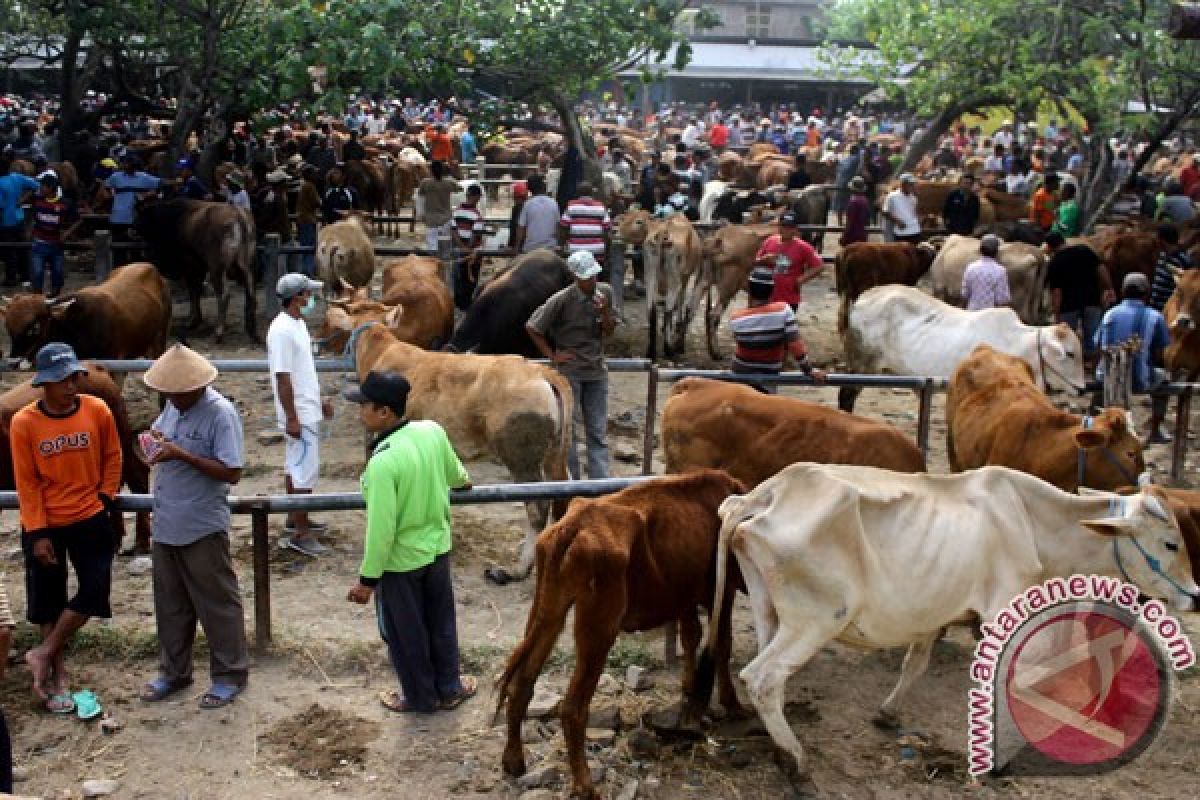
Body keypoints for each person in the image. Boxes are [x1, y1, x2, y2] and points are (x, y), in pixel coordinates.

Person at [343, 371, 477, 713]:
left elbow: (381, 529)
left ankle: (419, 697)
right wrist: (461, 484)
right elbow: (459, 477)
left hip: (401, 563)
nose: (360, 414)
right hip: (437, 549)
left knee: (406, 635)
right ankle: (449, 687)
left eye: (364, 407)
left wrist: (367, 580)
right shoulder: (432, 432)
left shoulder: (383, 462)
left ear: (384, 412)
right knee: (441, 623)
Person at [11, 343, 122, 712]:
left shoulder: (97, 410)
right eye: (61, 380)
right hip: (47, 522)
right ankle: (57, 675)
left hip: (90, 516)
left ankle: (42, 653)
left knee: (95, 590)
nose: (70, 385)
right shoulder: (25, 423)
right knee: (48, 599)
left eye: (73, 377)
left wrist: (105, 497)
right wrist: (38, 532)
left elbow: (113, 455)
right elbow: (26, 482)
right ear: (43, 384)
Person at [138, 345, 249, 709]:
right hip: (168, 518)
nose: (169, 398)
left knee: (216, 602)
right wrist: (153, 446)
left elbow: (232, 472)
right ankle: (174, 671)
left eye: (175, 393)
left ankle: (230, 673)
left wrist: (181, 454)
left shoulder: (220, 414)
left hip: (201, 523)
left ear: (194, 389)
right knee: (170, 603)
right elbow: (159, 436)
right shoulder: (172, 406)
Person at [526, 251, 616, 480]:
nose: (591, 282)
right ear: (576, 277)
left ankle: (600, 480)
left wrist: (604, 311)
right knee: (570, 431)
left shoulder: (604, 293)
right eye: (586, 278)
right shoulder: (562, 299)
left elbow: (610, 330)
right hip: (571, 372)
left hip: (596, 370)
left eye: (593, 276)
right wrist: (553, 356)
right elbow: (534, 327)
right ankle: (572, 479)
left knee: (597, 430)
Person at [267, 273, 333, 557]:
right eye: (308, 294)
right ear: (297, 298)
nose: (311, 299)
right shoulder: (282, 331)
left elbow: (301, 372)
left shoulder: (296, 325)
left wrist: (318, 399)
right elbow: (283, 377)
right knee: (304, 469)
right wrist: (292, 416)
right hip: (300, 412)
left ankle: (295, 518)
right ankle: (301, 532)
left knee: (295, 465)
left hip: (305, 407)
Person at [1096, 273, 1172, 443]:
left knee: (1102, 375)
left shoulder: (1109, 314)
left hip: (1107, 378)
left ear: (1122, 291)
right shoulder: (1155, 316)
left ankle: (1095, 419)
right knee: (1165, 379)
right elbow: (1160, 352)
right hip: (1139, 381)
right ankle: (1155, 429)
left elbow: (1098, 345)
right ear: (1147, 293)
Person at [729, 266, 825, 392]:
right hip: (768, 376)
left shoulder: (736, 318)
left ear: (749, 290)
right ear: (772, 290)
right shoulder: (783, 310)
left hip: (740, 376)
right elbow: (795, 345)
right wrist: (809, 370)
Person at [1045, 231, 1110, 364]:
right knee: (1092, 337)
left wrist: (1056, 313)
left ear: (1050, 247)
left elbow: (1057, 292)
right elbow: (1101, 270)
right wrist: (1109, 288)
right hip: (1092, 300)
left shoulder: (1055, 262)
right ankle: (1092, 365)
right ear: (1063, 241)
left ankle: (1072, 365)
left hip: (1068, 306)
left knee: (1068, 338)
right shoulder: (1084, 251)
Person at [754, 211, 824, 311]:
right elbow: (754, 262)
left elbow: (819, 266)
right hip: (766, 296)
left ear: (795, 229)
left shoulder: (803, 247)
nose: (786, 230)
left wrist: (800, 280)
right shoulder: (769, 241)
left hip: (789, 298)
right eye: (784, 226)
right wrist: (764, 260)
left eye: (790, 227)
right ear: (779, 227)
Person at [29, 173, 79, 297]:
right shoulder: (37, 201)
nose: (40, 188)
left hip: (56, 244)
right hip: (39, 243)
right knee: (37, 272)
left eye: (43, 186)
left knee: (57, 272)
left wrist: (67, 233)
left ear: (51, 188)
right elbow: (31, 216)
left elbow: (78, 220)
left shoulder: (65, 204)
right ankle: (37, 297)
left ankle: (54, 296)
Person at [105, 153, 161, 261]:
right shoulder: (115, 177)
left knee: (136, 248)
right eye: (127, 164)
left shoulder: (143, 177)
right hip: (118, 218)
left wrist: (147, 195)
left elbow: (159, 185)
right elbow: (105, 187)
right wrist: (110, 199)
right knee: (118, 249)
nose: (128, 167)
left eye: (131, 165)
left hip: (135, 218)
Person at [0, 156, 41, 286]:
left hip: (5, 222)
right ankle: (25, 277)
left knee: (8, 251)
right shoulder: (17, 177)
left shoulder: (0, 183)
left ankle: (11, 278)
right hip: (19, 218)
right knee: (23, 248)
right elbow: (37, 185)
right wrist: (23, 199)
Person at [450, 184, 485, 310]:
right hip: (472, 252)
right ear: (477, 197)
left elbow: (453, 230)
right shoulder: (477, 215)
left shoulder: (456, 211)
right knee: (471, 277)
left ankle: (458, 301)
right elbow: (475, 234)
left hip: (458, 249)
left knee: (458, 276)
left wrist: (460, 245)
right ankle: (467, 302)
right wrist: (468, 248)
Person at [558, 181, 611, 261]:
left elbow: (563, 228)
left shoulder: (571, 206)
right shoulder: (601, 207)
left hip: (576, 251)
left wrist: (561, 246)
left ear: (578, 193)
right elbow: (607, 231)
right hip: (596, 252)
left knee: (575, 272)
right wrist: (606, 252)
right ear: (592, 193)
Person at [1149, 224, 1195, 311]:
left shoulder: (1183, 260)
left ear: (1162, 240)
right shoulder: (1162, 255)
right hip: (1154, 307)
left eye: (1157, 238)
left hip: (1170, 309)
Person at [962, 234, 1011, 311]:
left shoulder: (971, 267)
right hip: (989, 315)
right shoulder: (1000, 271)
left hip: (972, 312)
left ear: (980, 249)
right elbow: (1002, 299)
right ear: (996, 251)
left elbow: (965, 293)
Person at [513, 173, 559, 254]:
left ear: (530, 189)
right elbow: (558, 226)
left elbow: (520, 228)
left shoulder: (528, 204)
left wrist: (516, 247)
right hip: (550, 248)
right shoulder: (553, 203)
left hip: (531, 248)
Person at [417, 160, 457, 252]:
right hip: (446, 219)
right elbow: (460, 189)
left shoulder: (425, 183)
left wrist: (420, 215)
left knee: (432, 246)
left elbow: (419, 199)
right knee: (445, 246)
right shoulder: (449, 183)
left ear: (431, 171)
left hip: (431, 220)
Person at [294, 165, 321, 276]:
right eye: (314, 173)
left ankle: (306, 270)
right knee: (309, 246)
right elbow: (317, 202)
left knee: (304, 245)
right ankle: (307, 272)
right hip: (308, 219)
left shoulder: (303, 186)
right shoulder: (310, 187)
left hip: (302, 219)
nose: (316, 175)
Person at [882, 173, 921, 243]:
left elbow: (914, 213)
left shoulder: (913, 198)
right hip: (901, 232)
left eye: (913, 184)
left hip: (915, 230)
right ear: (902, 184)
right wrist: (898, 221)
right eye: (910, 184)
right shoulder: (892, 196)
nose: (912, 186)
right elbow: (885, 212)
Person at [833, 143, 862, 226]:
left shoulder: (843, 159)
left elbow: (837, 171)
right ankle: (849, 223)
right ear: (856, 151)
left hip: (839, 183)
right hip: (850, 184)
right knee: (850, 204)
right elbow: (859, 170)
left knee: (840, 204)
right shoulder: (857, 158)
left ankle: (840, 223)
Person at [841, 176, 871, 247]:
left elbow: (850, 221)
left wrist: (844, 235)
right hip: (862, 235)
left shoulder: (853, 202)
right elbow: (867, 220)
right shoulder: (865, 200)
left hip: (852, 236)